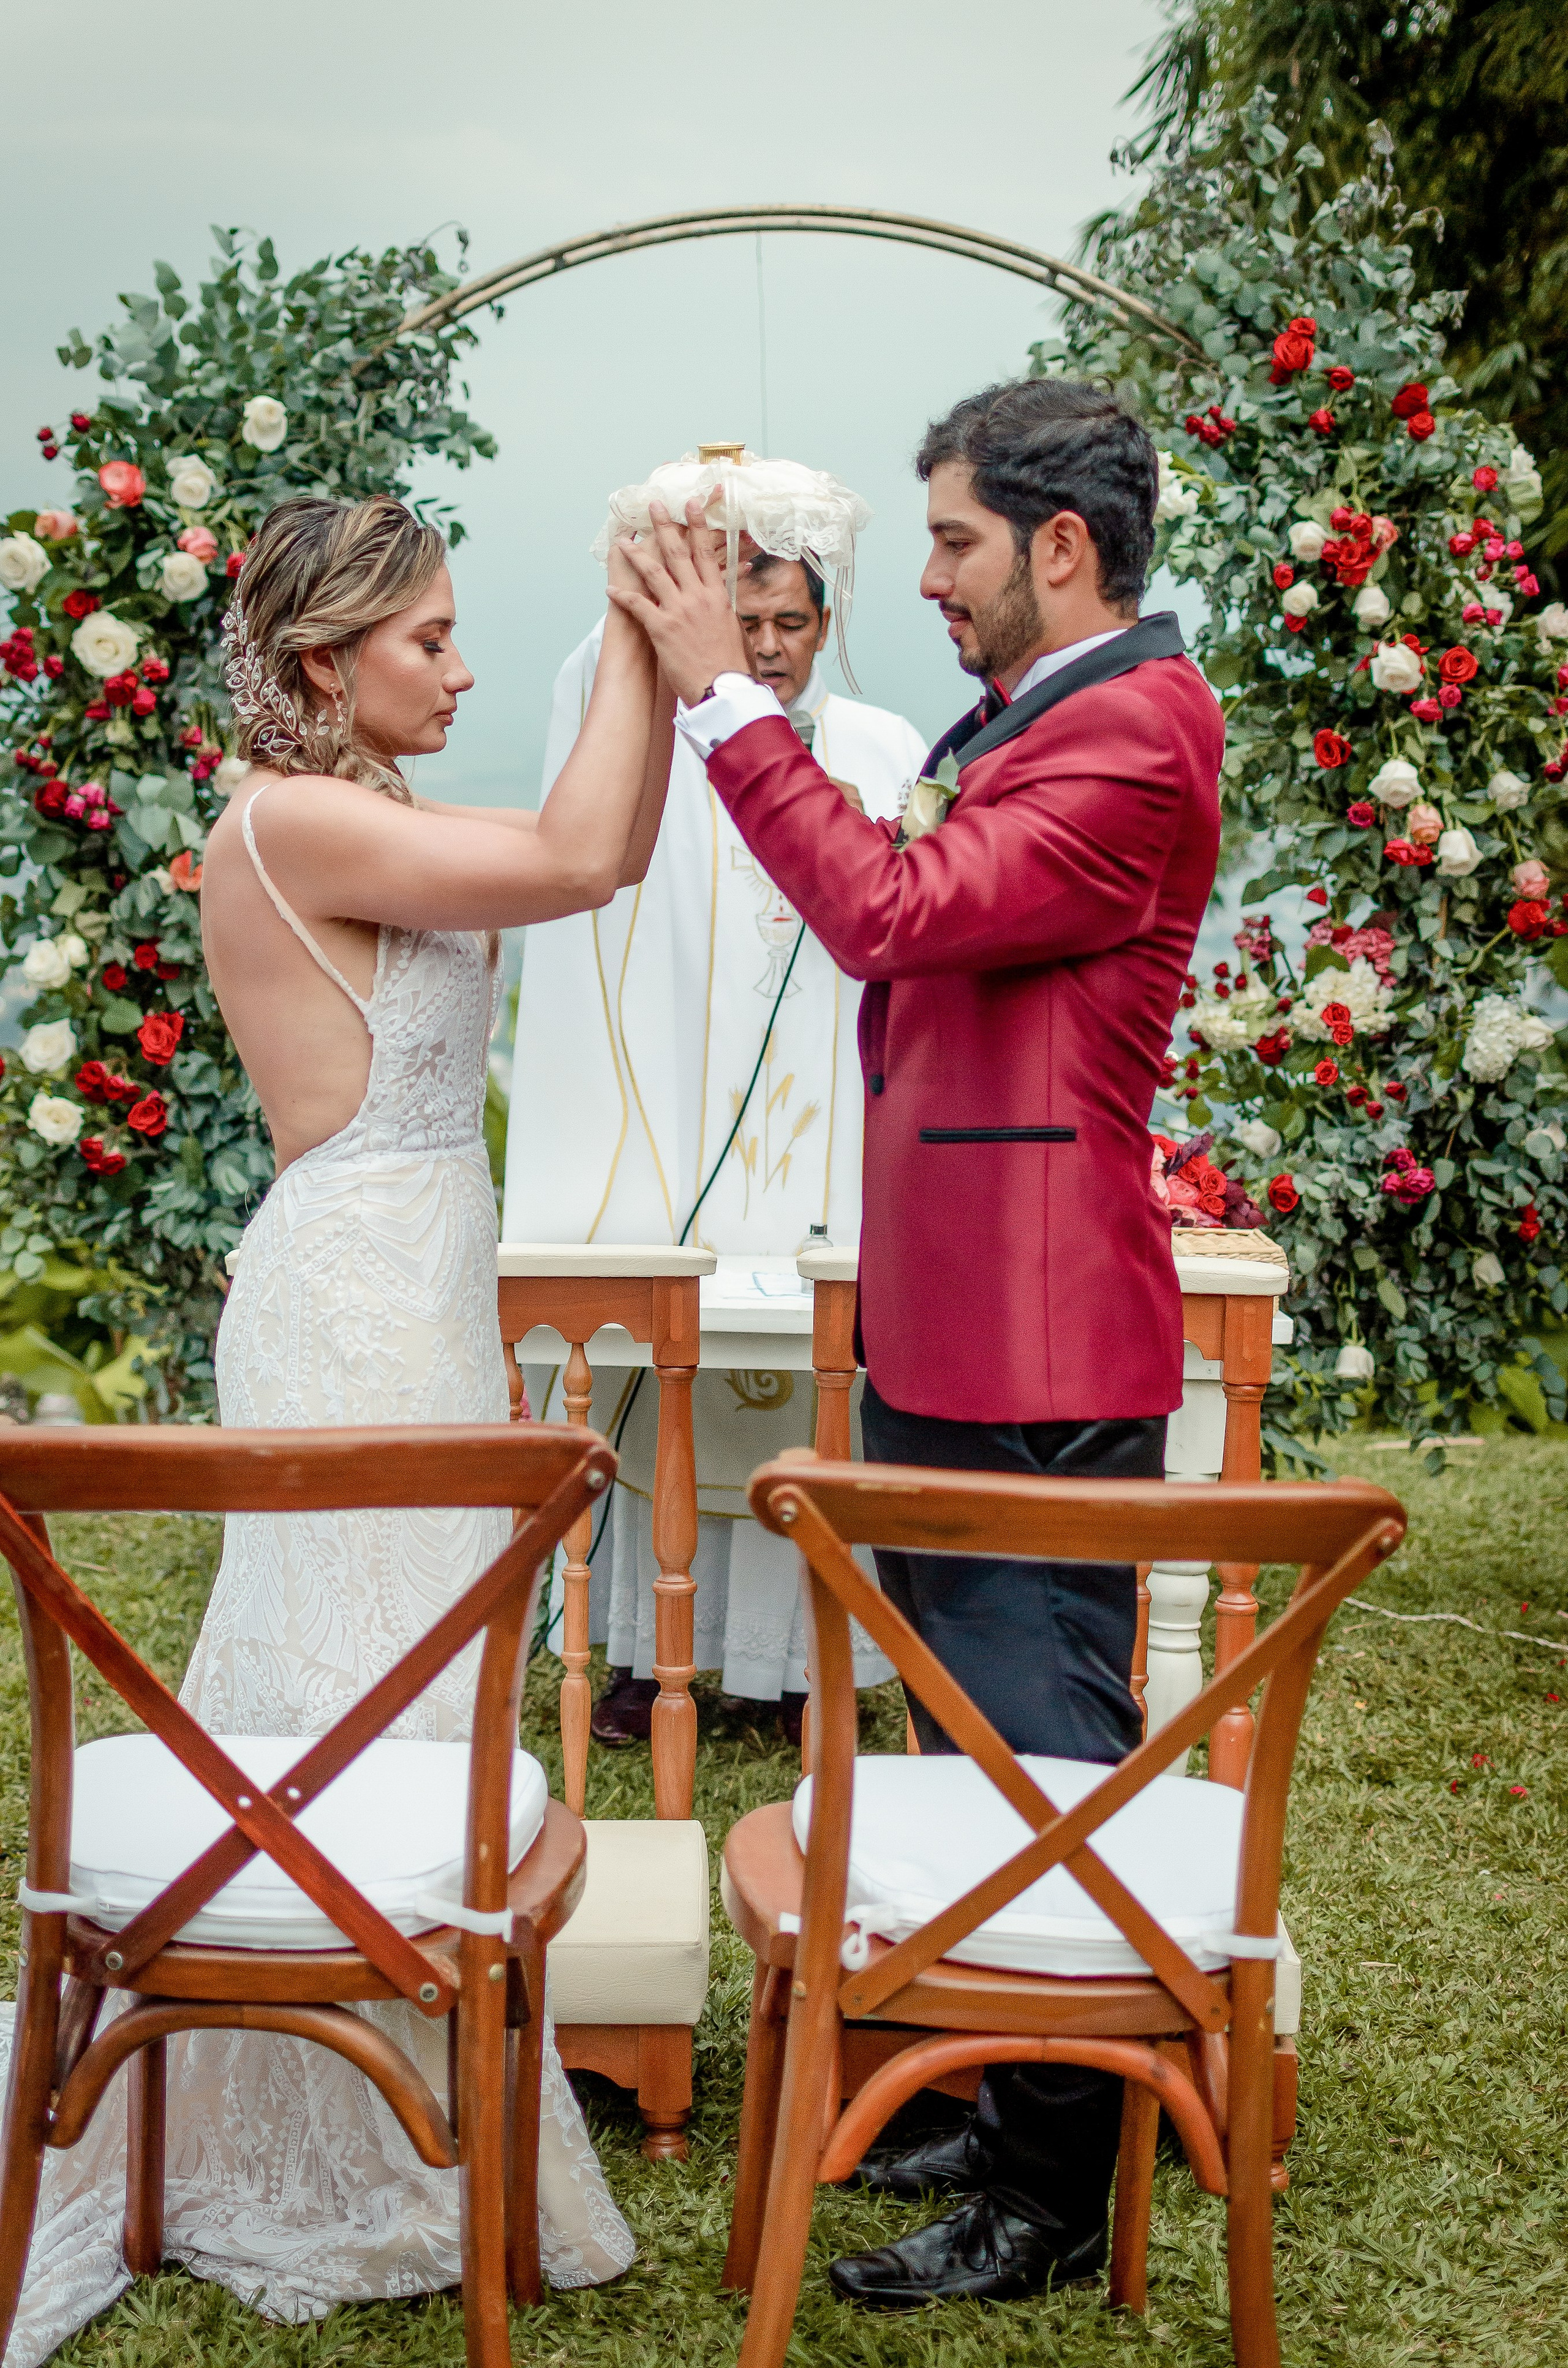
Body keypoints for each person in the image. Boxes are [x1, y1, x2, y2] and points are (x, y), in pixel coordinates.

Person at [0, 494, 665, 2364]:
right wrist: (635, 617)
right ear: (320, 662)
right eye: (432, 638)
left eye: (463, 635)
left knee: (409, 1688)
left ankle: (374, 2086)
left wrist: (658, 667)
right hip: (356, 1308)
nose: (459, 666)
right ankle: (310, 2093)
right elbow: (583, 849)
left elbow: (589, 844)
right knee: (364, 1685)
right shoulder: (294, 822)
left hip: (416, 1286)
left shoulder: (364, 811)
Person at [608, 379, 1224, 2307]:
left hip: (1041, 1345)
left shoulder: (1130, 731)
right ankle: (1014, 2074)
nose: (930, 575)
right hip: (973, 1320)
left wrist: (725, 696)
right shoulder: (1050, 714)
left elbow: (888, 909)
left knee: (1041, 1747)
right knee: (975, 1733)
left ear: (1061, 544)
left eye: (954, 538)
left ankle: (1052, 2188)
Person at [503, 548, 926, 1746]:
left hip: (824, 1129)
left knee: (812, 1386)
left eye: (792, 621)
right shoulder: (654, 751)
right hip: (684, 1137)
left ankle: (805, 1661)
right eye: (745, 622)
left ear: (826, 622)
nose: (771, 645)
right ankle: (648, 1648)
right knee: (665, 1370)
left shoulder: (885, 748)